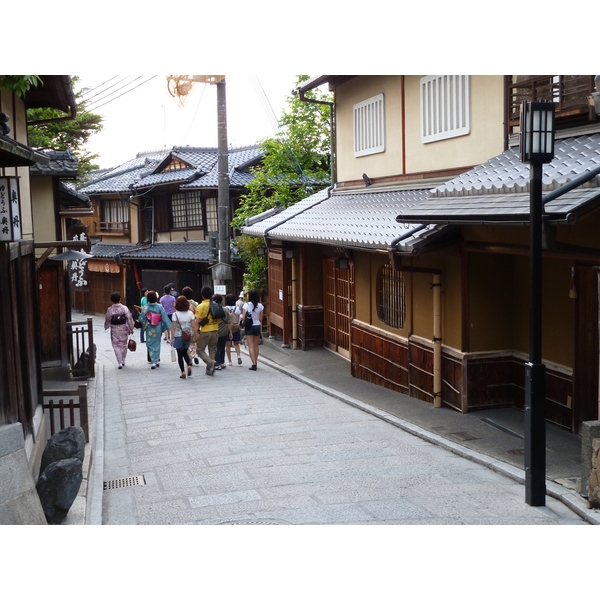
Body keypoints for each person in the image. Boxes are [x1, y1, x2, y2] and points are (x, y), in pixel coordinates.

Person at [139, 290, 172, 369]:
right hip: (157, 327)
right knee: (157, 343)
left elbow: (141, 317)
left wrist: (145, 324)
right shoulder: (159, 307)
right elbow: (164, 317)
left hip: (149, 327)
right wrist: (168, 326)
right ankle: (156, 360)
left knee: (150, 344)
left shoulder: (146, 307)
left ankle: (153, 361)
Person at [104, 292, 135, 369]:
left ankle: (120, 362)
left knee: (116, 346)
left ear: (112, 300)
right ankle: (123, 360)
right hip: (123, 328)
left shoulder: (110, 309)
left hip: (114, 329)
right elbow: (129, 318)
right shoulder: (124, 308)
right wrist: (131, 327)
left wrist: (106, 325)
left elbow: (108, 318)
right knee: (124, 345)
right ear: (120, 299)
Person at [193, 286, 219, 376]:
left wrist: (196, 333)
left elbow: (197, 321)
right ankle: (209, 370)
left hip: (205, 331)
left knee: (200, 350)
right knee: (212, 350)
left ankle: (210, 362)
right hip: (215, 330)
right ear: (211, 295)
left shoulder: (200, 306)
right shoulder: (216, 305)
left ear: (202, 295)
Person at [170, 295, 196, 379]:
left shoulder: (175, 314)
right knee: (185, 352)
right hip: (188, 336)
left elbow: (173, 328)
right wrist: (195, 334)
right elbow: (193, 325)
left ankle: (183, 372)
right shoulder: (190, 313)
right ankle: (188, 364)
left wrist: (171, 338)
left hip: (178, 336)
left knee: (180, 355)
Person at [241, 289, 264, 371]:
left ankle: (253, 363)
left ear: (249, 296)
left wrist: (240, 316)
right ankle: (256, 361)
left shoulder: (246, 305)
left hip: (249, 326)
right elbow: (261, 318)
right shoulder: (260, 306)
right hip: (257, 325)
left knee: (250, 345)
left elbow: (243, 317)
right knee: (255, 345)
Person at [213, 294, 232, 370]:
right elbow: (228, 322)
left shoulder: (212, 309)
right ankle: (222, 362)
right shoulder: (225, 310)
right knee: (222, 347)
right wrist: (230, 332)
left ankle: (217, 363)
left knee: (216, 347)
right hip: (224, 331)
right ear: (221, 301)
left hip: (215, 331)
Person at [181, 286, 200, 366]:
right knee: (194, 341)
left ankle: (189, 358)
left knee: (186, 342)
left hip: (185, 325)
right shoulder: (195, 304)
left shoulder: (181, 303)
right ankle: (195, 354)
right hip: (194, 324)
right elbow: (198, 315)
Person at [225, 293, 243, 366]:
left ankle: (230, 361)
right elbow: (239, 316)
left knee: (228, 345)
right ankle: (238, 355)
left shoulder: (225, 309)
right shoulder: (237, 308)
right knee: (236, 343)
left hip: (228, 328)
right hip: (236, 327)